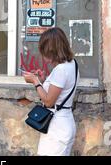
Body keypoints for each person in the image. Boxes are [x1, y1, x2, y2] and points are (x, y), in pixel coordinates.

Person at [23, 27, 79, 156]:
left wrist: (35, 82)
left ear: (52, 51)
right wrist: (43, 80)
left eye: (45, 52)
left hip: (57, 127)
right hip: (64, 121)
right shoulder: (72, 64)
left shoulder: (61, 70)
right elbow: (60, 91)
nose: (43, 56)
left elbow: (48, 102)